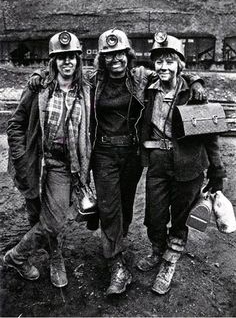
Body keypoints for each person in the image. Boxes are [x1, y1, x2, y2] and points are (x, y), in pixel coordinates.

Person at [27, 28, 206, 296]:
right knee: (109, 208)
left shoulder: (141, 77)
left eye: (120, 54)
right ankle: (117, 267)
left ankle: (118, 244)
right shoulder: (93, 79)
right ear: (102, 58)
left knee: (124, 206)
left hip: (132, 156)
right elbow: (65, 70)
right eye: (109, 55)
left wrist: (196, 81)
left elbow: (174, 72)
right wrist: (39, 74)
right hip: (103, 155)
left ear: (128, 55)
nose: (116, 60)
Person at [137, 32, 226, 294]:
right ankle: (156, 250)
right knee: (154, 215)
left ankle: (169, 260)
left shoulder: (194, 94)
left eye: (170, 61)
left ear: (179, 64)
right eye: (159, 62)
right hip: (158, 162)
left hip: (189, 165)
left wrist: (217, 171)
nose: (164, 67)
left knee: (181, 217)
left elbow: (210, 135)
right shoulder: (149, 90)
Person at [3, 31, 92, 288]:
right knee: (36, 217)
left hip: (64, 167)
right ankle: (56, 257)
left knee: (53, 221)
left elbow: (124, 71)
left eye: (71, 57)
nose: (67, 62)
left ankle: (16, 257)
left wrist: (193, 79)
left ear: (77, 60)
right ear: (53, 61)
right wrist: (21, 157)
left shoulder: (86, 89)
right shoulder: (39, 88)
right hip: (36, 164)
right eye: (61, 57)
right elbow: (15, 124)